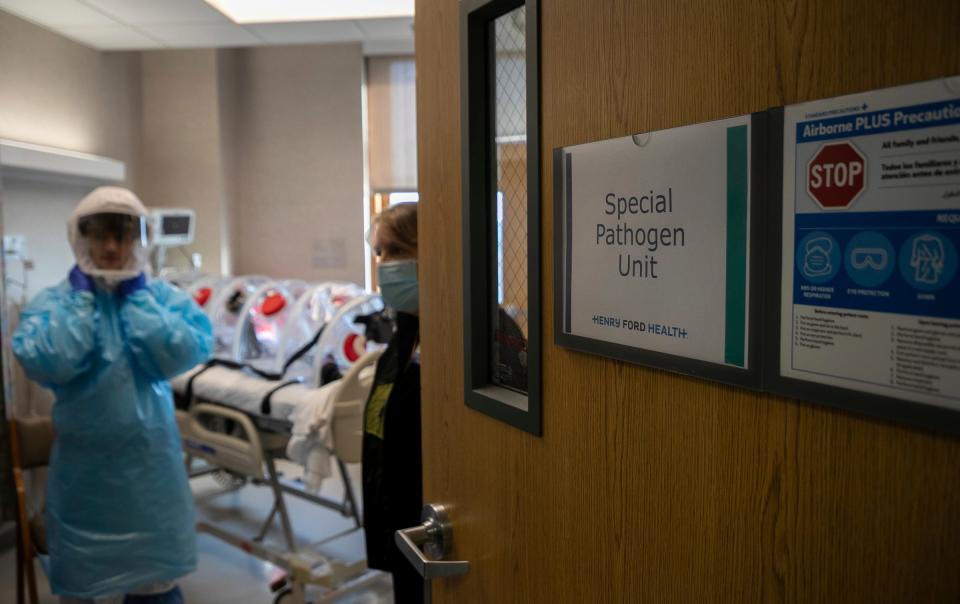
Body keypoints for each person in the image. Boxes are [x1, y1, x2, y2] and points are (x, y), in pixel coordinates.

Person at [12, 186, 214, 604]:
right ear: (80, 239)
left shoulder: (161, 300)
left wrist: (137, 298)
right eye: (99, 236)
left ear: (139, 240)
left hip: (150, 478)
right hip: (85, 479)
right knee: (84, 585)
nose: (108, 247)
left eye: (121, 236)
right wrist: (82, 302)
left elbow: (180, 352)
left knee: (154, 587)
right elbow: (49, 361)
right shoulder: (55, 303)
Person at [361, 202, 424, 603]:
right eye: (380, 252)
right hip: (401, 522)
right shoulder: (404, 335)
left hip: (437, 528)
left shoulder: (474, 335)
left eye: (397, 251)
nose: (385, 264)